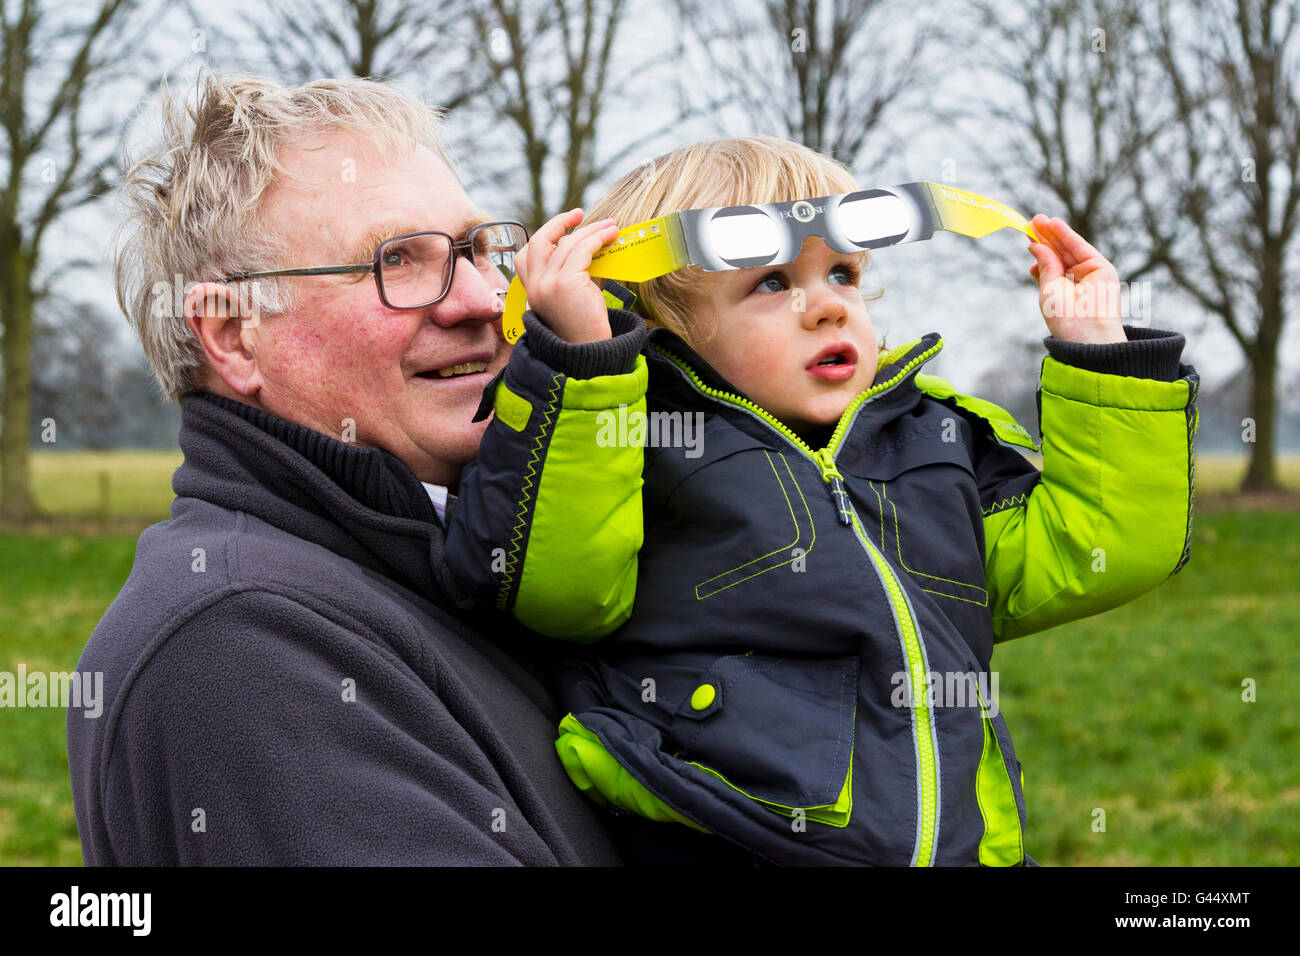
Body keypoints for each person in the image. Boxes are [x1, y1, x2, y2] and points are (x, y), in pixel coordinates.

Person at [444, 136, 1200, 865]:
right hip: (734, 842)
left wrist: (1105, 360)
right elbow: (557, 587)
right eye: (771, 282)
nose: (827, 306)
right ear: (659, 321)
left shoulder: (933, 444)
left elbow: (1099, 549)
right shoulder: (634, 449)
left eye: (841, 273)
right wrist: (582, 368)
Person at [66, 73, 627, 865]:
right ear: (232, 335)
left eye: (476, 250)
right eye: (397, 260)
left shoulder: (478, 567)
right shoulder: (237, 644)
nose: (478, 299)